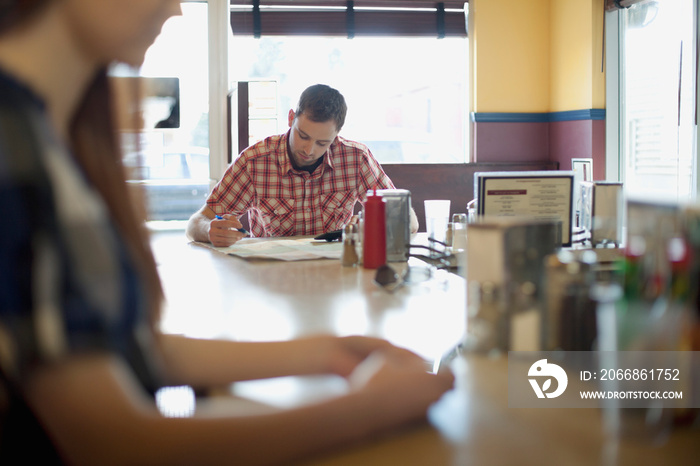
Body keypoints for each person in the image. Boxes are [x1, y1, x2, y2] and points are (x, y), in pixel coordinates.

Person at [0, 1, 454, 464]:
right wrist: (370, 409)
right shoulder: (15, 144)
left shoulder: (51, 133)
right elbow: (109, 441)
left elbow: (126, 346)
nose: (176, 10)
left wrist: (329, 352)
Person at [187, 84, 419, 247]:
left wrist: (376, 228)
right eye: (303, 135)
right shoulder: (254, 161)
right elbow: (196, 222)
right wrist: (210, 230)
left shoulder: (356, 158)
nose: (309, 150)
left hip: (336, 272)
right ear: (290, 119)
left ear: (337, 134)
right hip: (270, 276)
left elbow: (409, 220)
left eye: (322, 142)